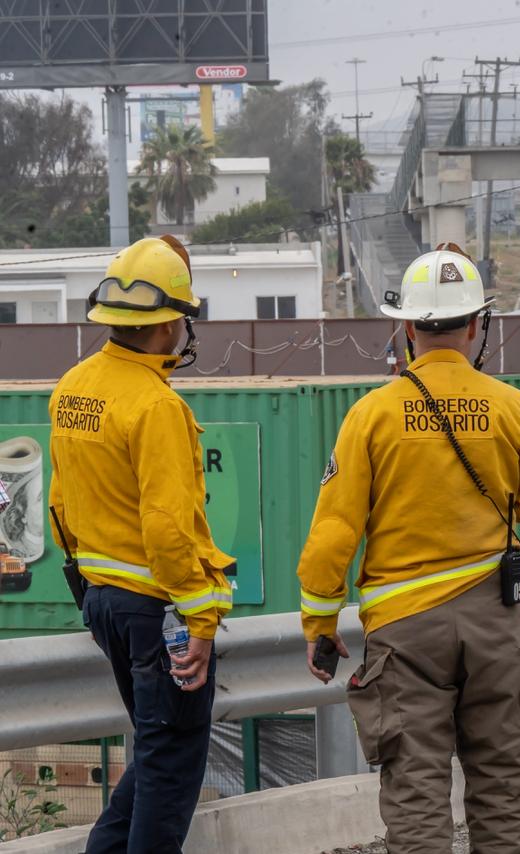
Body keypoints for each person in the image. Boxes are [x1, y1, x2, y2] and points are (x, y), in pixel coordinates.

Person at [297, 244, 520, 852]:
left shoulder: (370, 415)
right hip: (494, 621)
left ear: (408, 329)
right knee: (502, 779)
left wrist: (319, 621)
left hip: (403, 628)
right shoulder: (510, 406)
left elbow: (333, 533)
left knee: (416, 790)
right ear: (475, 327)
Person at [48, 236, 234, 853]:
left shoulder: (73, 387)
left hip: (104, 601)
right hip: (157, 610)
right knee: (172, 761)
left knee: (158, 754)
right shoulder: (156, 405)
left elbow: (60, 504)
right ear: (171, 323)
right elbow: (167, 526)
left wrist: (90, 592)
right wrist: (199, 619)